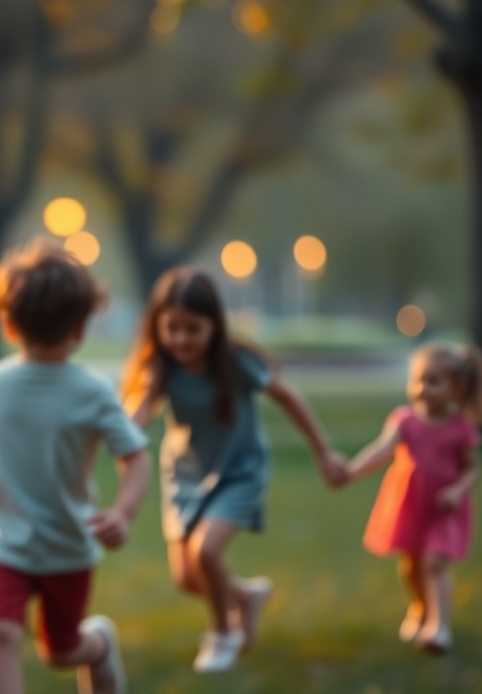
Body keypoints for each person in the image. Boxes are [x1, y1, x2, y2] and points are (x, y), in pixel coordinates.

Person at [0, 239, 151, 694]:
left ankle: (99, 645)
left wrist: (122, 512)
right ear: (81, 329)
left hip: (68, 543)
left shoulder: (93, 391)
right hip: (2, 540)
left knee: (61, 652)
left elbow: (135, 455)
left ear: (5, 324)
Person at [120, 267, 345, 673]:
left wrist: (324, 452)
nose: (182, 339)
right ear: (157, 326)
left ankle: (223, 634)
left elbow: (288, 398)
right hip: (186, 476)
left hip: (240, 471)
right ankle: (245, 595)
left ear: (215, 326)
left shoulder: (236, 363)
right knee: (188, 578)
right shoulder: (161, 367)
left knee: (206, 551)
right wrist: (122, 435)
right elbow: (139, 412)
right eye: (172, 328)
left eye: (193, 328)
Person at [341, 342, 482, 654]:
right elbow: (382, 450)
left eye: (434, 381)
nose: (422, 388)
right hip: (410, 506)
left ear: (456, 387)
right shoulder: (404, 421)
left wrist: (457, 491)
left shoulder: (460, 428)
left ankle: (439, 628)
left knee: (434, 563)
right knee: (411, 568)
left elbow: (473, 469)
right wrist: (352, 470)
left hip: (443, 508)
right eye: (417, 380)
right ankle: (421, 609)